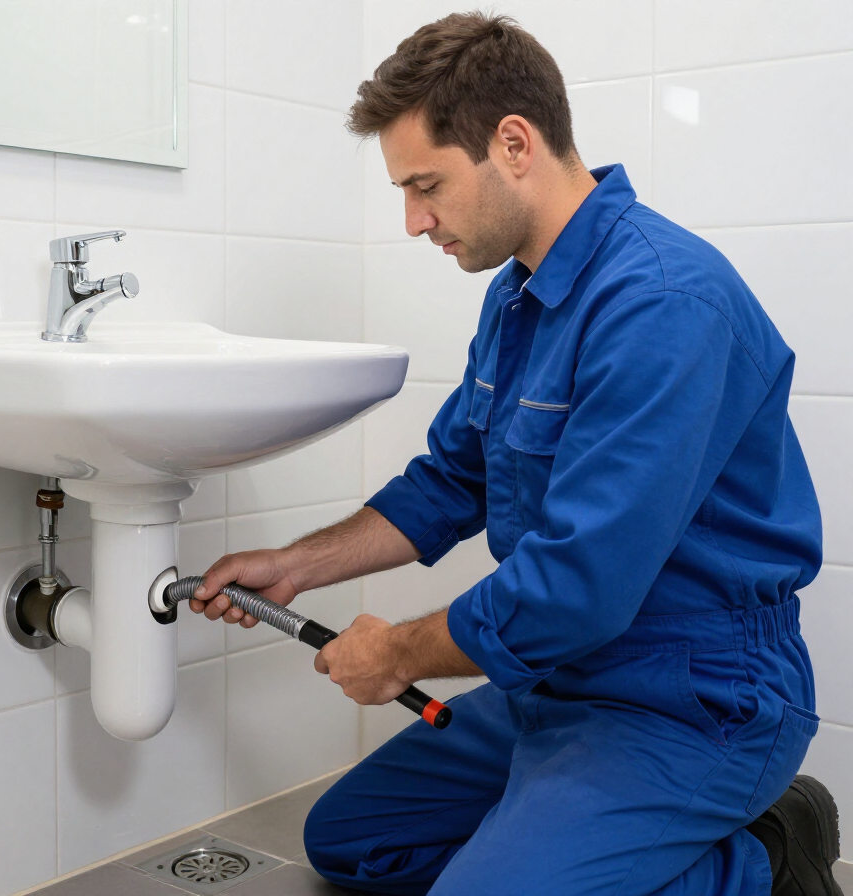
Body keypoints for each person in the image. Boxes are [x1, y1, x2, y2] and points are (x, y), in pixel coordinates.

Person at [188, 12, 843, 896]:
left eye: (427, 185)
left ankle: (765, 855)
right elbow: (451, 481)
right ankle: (562, 840)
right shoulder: (520, 296)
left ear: (514, 142)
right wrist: (296, 565)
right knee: (351, 840)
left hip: (694, 702)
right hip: (557, 682)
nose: (415, 221)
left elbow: (579, 585)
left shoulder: (665, 304)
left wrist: (402, 654)